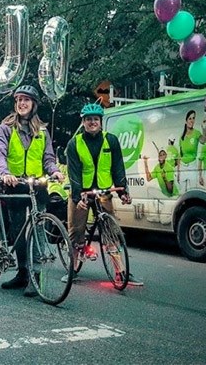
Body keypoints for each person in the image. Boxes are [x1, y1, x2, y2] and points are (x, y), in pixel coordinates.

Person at [0, 85, 64, 297]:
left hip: (37, 185)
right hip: (15, 185)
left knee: (38, 229)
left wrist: (54, 171)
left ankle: (37, 276)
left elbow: (48, 158)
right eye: (19, 100)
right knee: (18, 231)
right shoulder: (6, 127)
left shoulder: (42, 130)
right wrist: (4, 173)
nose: (22, 103)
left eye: (26, 100)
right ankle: (23, 273)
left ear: (34, 104)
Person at [66, 103, 143, 286]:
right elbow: (74, 173)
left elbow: (118, 167)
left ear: (101, 122)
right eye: (88, 119)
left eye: (95, 119)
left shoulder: (111, 140)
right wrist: (78, 198)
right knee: (76, 231)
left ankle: (121, 272)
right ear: (83, 122)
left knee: (111, 231)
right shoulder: (74, 143)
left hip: (103, 191)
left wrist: (123, 190)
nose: (92, 122)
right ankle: (72, 269)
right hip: (82, 192)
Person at [177, 110, 206, 191]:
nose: (192, 120)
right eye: (190, 118)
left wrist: (204, 129)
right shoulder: (182, 136)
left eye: (193, 118)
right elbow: (180, 155)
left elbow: (203, 141)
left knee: (193, 191)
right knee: (182, 193)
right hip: (183, 167)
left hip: (192, 166)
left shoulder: (196, 133)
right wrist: (178, 172)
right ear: (186, 121)